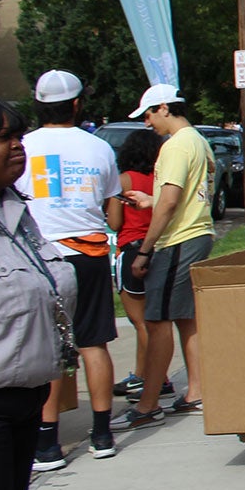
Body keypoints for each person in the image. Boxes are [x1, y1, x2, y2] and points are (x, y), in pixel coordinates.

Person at [0, 97, 77, 490]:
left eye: (18, 134)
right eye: (3, 137)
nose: (16, 145)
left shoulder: (14, 212)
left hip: (21, 397)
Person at [22, 70, 120, 470]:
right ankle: (101, 434)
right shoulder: (99, 148)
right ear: (78, 105)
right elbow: (113, 215)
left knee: (49, 346)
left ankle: (47, 444)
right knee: (93, 341)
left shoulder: (23, 146)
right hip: (90, 253)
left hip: (42, 255)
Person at [112, 83, 215, 429]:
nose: (146, 123)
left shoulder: (174, 146)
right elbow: (189, 193)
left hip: (178, 240)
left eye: (148, 114)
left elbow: (171, 202)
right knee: (187, 319)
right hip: (198, 233)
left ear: (164, 109)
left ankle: (148, 404)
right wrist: (150, 200)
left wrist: (144, 250)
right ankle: (196, 392)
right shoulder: (198, 140)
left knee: (156, 323)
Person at [111, 129, 166, 406]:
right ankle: (160, 375)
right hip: (157, 247)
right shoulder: (159, 181)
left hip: (132, 248)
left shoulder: (124, 180)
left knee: (141, 322)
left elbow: (114, 222)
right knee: (157, 319)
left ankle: (143, 376)